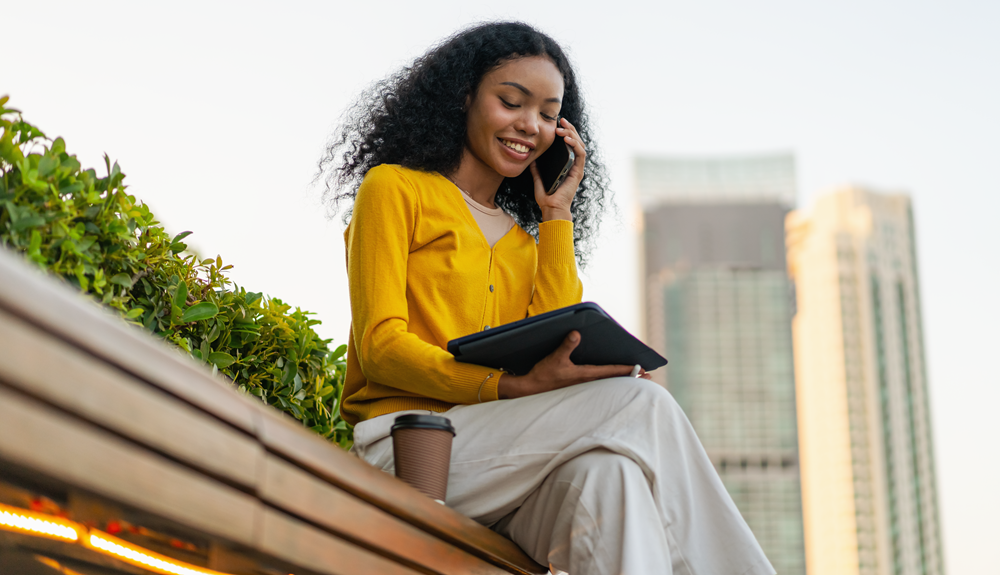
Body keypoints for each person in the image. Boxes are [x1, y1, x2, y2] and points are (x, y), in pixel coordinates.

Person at [319, 21, 775, 575]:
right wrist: (507, 386)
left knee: (613, 477)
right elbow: (381, 347)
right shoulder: (395, 189)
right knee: (645, 404)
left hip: (509, 462)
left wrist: (556, 214)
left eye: (546, 114)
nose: (529, 126)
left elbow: (558, 336)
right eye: (511, 102)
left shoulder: (526, 244)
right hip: (409, 449)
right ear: (463, 97)